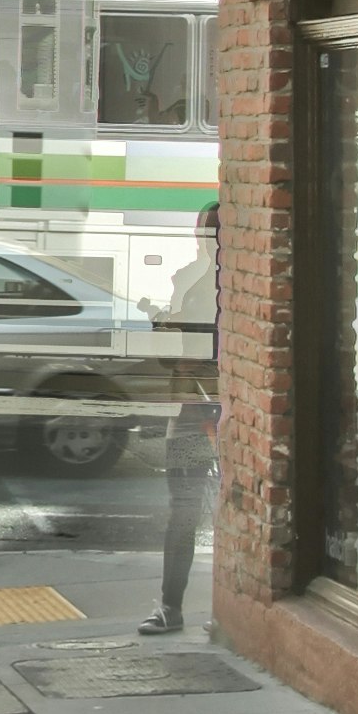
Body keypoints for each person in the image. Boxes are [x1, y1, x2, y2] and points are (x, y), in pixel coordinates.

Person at [141, 198, 224, 637]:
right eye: (207, 231)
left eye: (211, 231)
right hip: (197, 409)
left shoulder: (221, 284)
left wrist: (176, 344)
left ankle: (198, 609)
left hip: (210, 410)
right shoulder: (191, 281)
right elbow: (172, 356)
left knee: (204, 509)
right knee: (186, 510)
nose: (207, 239)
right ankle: (171, 606)